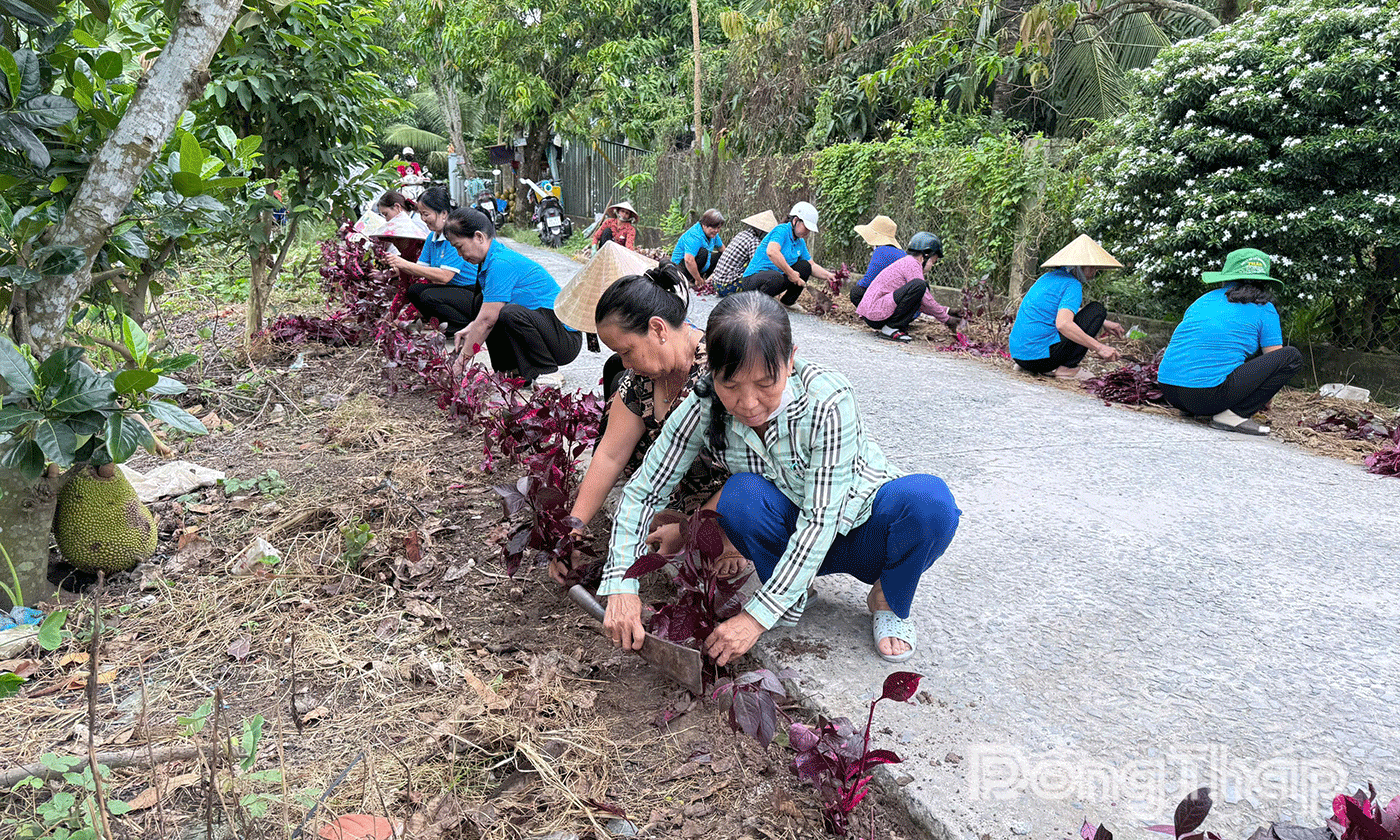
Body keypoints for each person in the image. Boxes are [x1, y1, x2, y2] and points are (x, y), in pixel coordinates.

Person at [599, 292, 961, 664]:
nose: (750, 403)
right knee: (740, 496)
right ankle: (792, 590)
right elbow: (645, 490)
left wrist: (755, 618)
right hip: (789, 536)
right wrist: (622, 585)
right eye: (731, 385)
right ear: (711, 373)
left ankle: (886, 597)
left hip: (863, 530)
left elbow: (822, 520)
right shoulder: (703, 404)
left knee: (930, 502)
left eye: (765, 383)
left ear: (789, 361)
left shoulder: (828, 400)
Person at [548, 264, 743, 584]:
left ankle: (728, 535)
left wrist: (691, 530)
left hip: (726, 496)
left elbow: (752, 467)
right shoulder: (640, 380)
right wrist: (574, 528)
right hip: (674, 497)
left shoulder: (718, 370)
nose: (625, 364)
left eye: (627, 351)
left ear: (658, 329)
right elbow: (610, 455)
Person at [1157, 248, 1303, 436]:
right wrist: (1262, 399)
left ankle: (1193, 409)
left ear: (1227, 276)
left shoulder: (1204, 300)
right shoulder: (1264, 308)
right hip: (1205, 397)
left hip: (1169, 391)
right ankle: (1234, 416)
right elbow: (1275, 358)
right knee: (1291, 356)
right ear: (1264, 281)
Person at [444, 208, 582, 385]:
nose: (459, 255)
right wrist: (472, 327)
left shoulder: (501, 263)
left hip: (564, 339)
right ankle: (512, 372)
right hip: (544, 328)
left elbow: (487, 320)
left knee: (507, 314)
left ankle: (548, 372)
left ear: (479, 237)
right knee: (484, 305)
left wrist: (459, 364)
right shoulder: (491, 259)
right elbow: (488, 313)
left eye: (459, 247)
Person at [1008, 234, 1126, 379]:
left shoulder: (1046, 278)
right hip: (1040, 360)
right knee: (1097, 310)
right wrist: (1100, 347)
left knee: (1096, 316)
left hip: (1020, 356)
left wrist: (1104, 323)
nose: (1095, 272)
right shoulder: (1073, 285)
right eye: (1093, 267)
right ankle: (1066, 368)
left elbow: (1062, 311)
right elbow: (1064, 324)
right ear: (1081, 265)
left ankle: (1032, 365)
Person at [386, 186, 480, 334]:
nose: (423, 219)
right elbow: (419, 269)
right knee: (415, 290)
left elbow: (444, 276)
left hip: (472, 291)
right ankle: (445, 323)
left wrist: (404, 264)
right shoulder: (432, 237)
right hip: (454, 289)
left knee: (429, 296)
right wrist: (399, 269)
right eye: (421, 214)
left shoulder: (454, 235)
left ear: (443, 213)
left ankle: (461, 326)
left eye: (426, 214)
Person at [855, 232, 961, 342]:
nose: (932, 266)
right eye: (933, 261)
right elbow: (925, 297)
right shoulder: (912, 264)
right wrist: (947, 320)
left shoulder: (907, 262)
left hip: (874, 313)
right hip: (876, 313)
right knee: (920, 286)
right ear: (926, 255)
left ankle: (892, 327)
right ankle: (892, 327)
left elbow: (918, 302)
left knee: (920, 287)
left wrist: (947, 311)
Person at [740, 201, 837, 313]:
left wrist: (828, 275)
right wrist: (791, 273)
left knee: (804, 266)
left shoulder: (800, 241)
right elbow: (772, 251)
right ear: (795, 220)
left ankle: (788, 302)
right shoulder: (781, 230)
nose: (808, 232)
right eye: (806, 227)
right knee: (775, 277)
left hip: (775, 279)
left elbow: (812, 265)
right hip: (753, 280)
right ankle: (758, 303)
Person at [709, 210, 778, 298]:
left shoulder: (742, 234)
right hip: (727, 286)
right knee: (761, 268)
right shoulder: (754, 241)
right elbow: (759, 266)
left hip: (716, 284)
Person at [849, 215, 906, 307]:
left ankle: (873, 317)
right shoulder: (901, 253)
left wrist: (857, 283)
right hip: (904, 300)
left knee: (856, 292)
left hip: (893, 301)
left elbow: (867, 282)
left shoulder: (881, 252)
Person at [672, 209, 726, 289]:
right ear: (704, 225)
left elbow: (722, 249)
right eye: (714, 228)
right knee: (703, 252)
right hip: (680, 268)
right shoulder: (694, 236)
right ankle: (692, 280)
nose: (717, 231)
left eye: (718, 228)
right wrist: (698, 279)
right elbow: (688, 260)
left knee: (722, 256)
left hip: (697, 266)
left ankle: (705, 278)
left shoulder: (713, 234)